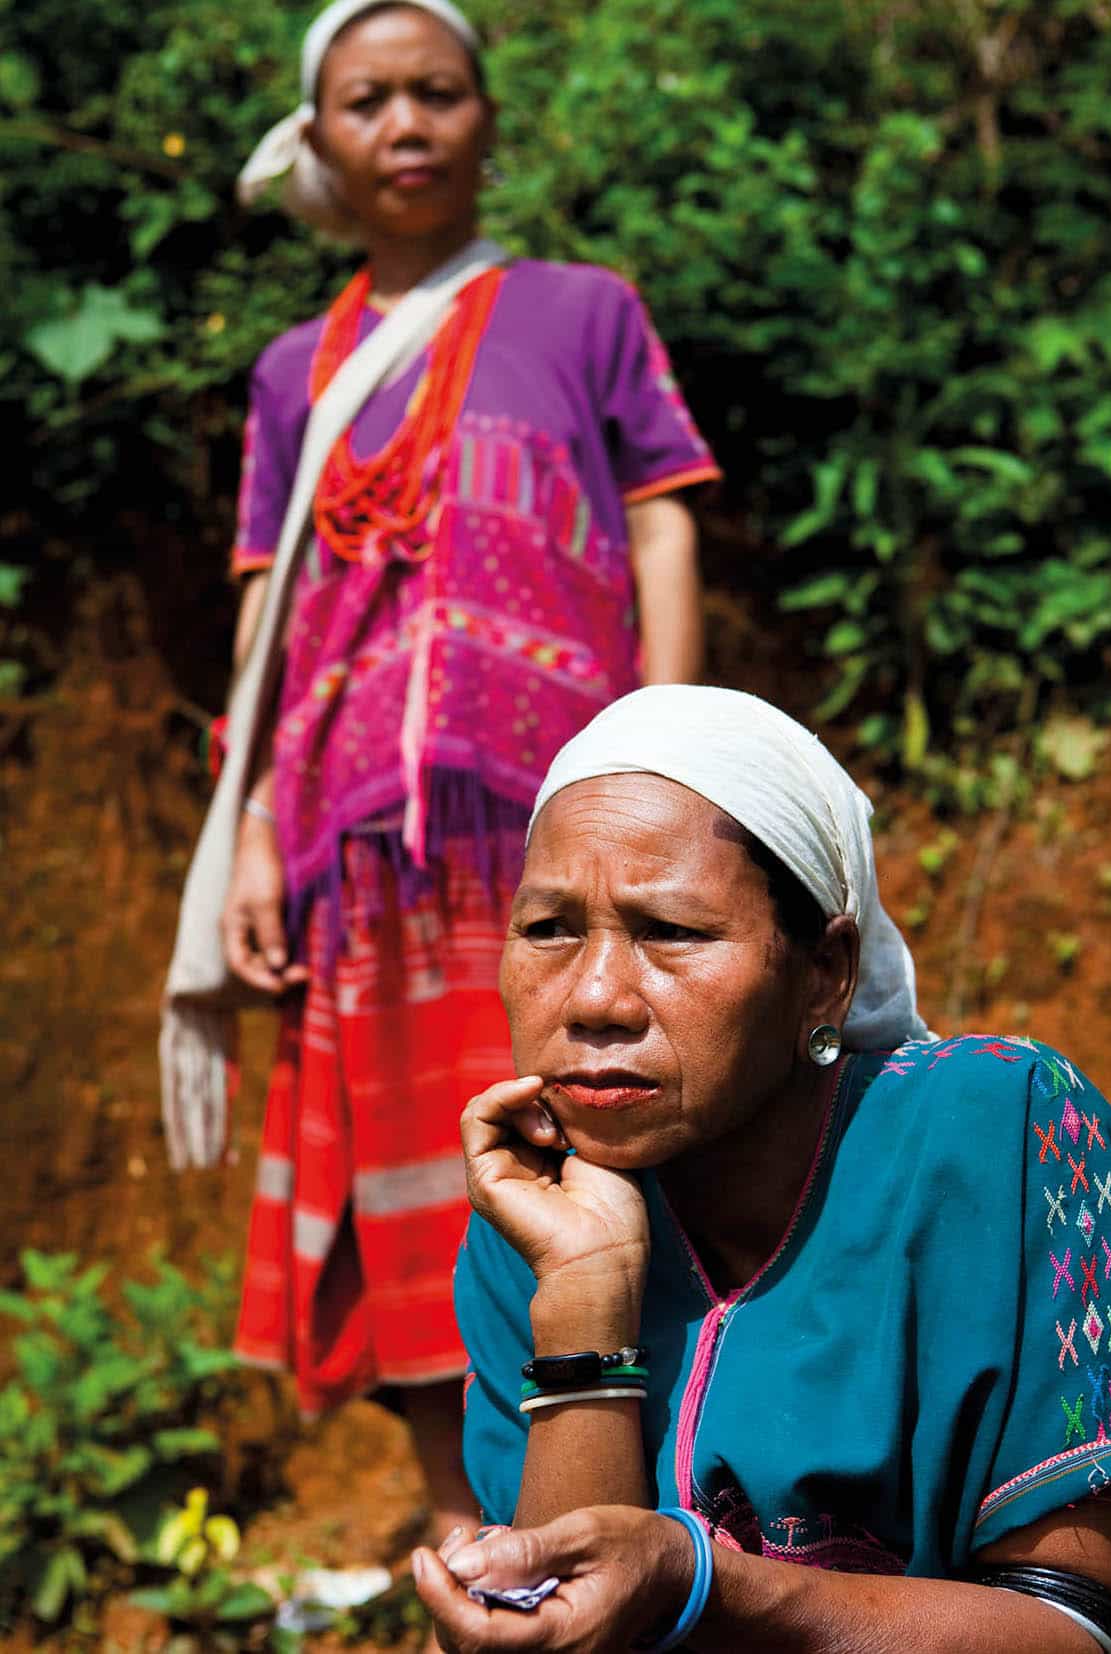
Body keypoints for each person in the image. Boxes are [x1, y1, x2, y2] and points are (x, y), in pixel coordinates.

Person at [413, 684, 1111, 1653]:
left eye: (670, 932)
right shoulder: (535, 1222)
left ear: (826, 972)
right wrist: (587, 1298)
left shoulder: (1001, 1135)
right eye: (550, 928)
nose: (596, 995)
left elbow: (1068, 1631)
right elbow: (555, 1632)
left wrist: (699, 1581)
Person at [218, 0, 720, 1555]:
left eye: (439, 91)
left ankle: (651, 1497)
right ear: (323, 141)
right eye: (370, 100)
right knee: (413, 1188)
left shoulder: (581, 310)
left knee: (609, 1133)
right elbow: (268, 606)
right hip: (356, 842)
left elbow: (658, 518)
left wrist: (674, 752)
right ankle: (464, 1521)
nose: (410, 122)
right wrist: (245, 828)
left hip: (556, 823)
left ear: (488, 122)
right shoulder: (297, 368)